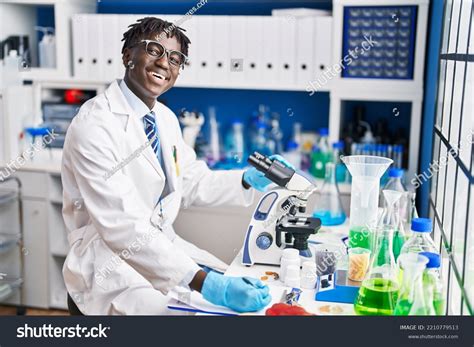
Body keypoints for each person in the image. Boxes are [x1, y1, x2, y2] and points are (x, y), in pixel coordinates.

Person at [61, 17, 289, 315]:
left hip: (163, 249)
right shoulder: (94, 124)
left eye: (175, 58)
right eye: (154, 50)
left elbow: (190, 182)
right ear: (128, 56)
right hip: (108, 265)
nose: (164, 63)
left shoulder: (164, 119)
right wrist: (205, 283)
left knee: (235, 285)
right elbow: (121, 226)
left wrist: (246, 180)